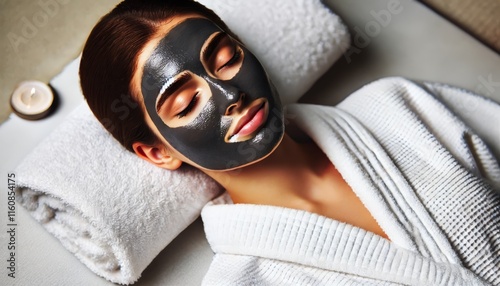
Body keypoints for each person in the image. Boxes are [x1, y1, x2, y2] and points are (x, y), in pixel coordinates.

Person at [79, 0, 500, 284]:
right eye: (187, 103)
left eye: (226, 60)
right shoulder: (241, 278)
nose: (231, 96)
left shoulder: (399, 107)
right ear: (158, 152)